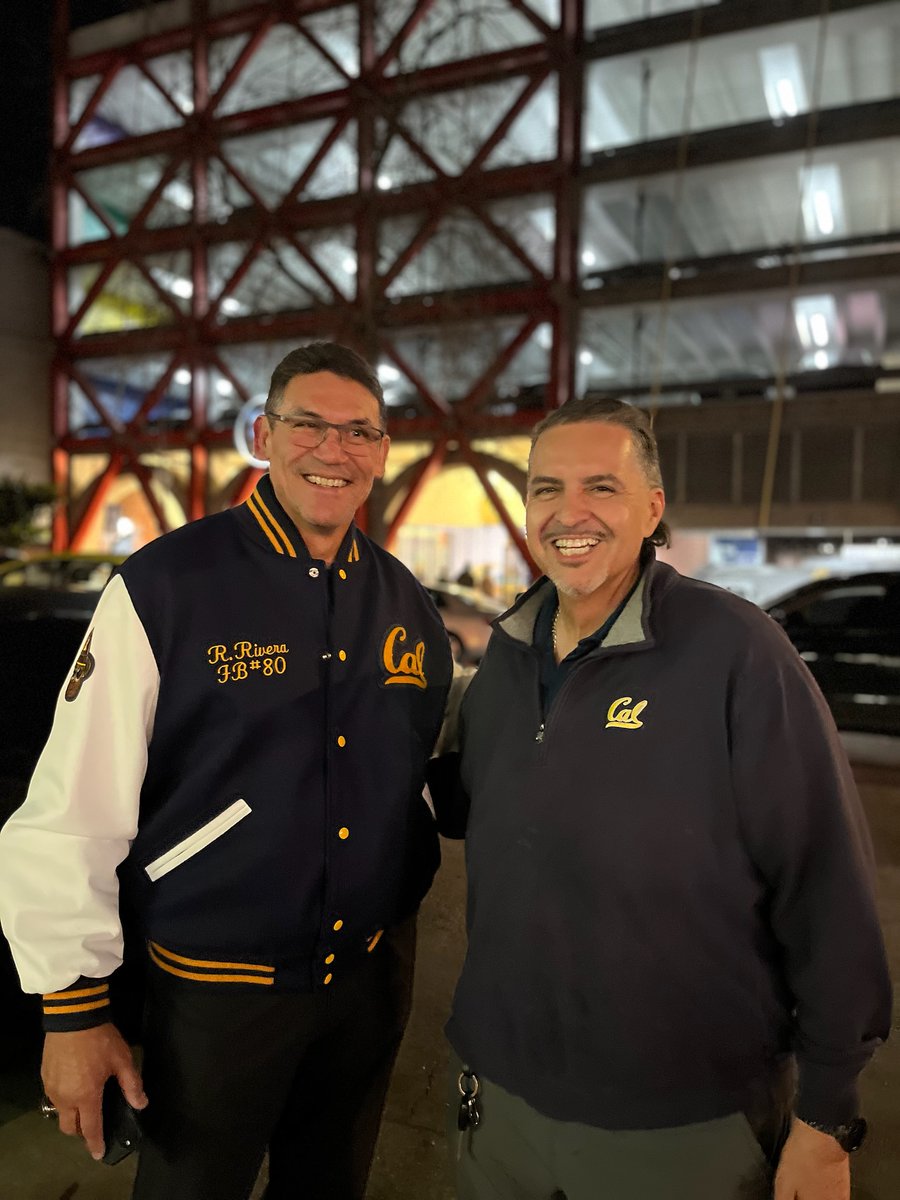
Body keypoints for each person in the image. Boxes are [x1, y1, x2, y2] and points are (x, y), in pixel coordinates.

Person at [0, 342, 453, 1200]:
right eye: (308, 424)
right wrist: (73, 1008)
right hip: (215, 1000)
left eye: (359, 431)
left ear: (383, 454)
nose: (334, 448)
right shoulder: (167, 587)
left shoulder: (407, 604)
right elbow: (71, 808)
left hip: (363, 991)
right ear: (263, 434)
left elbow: (409, 778)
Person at [427, 396, 891, 1200]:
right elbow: (462, 806)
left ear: (653, 507)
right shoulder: (504, 659)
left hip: (682, 1129)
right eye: (546, 489)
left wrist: (826, 1118)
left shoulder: (737, 654)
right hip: (500, 1104)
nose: (569, 513)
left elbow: (826, 889)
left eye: (601, 487)